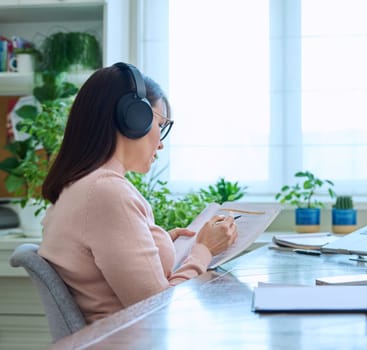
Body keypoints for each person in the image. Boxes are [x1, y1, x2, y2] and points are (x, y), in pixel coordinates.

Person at [38, 62, 238, 324]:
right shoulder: (107, 193)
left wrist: (158, 240)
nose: (162, 143)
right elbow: (158, 310)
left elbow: (98, 265)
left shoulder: (81, 187)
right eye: (161, 124)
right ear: (134, 118)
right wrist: (204, 250)